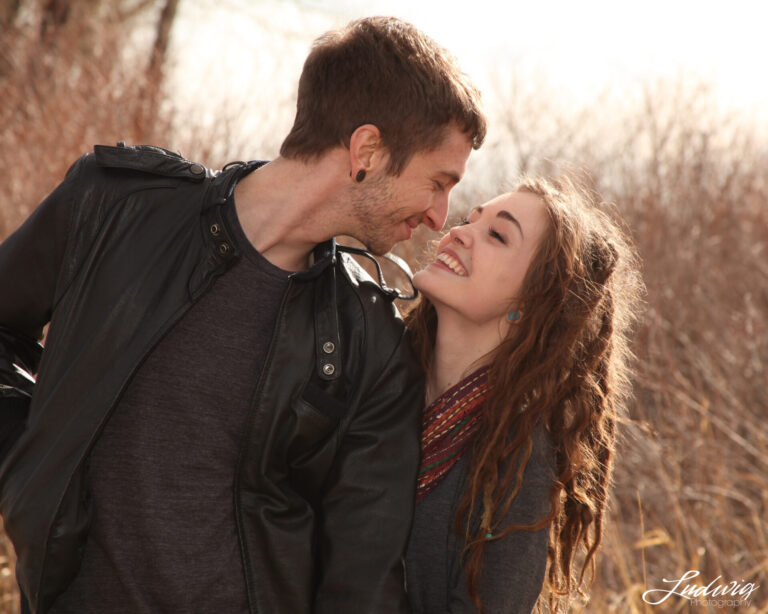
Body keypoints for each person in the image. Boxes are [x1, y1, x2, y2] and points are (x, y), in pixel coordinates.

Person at [0, 16, 486, 614]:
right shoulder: (113, 206)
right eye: (437, 183)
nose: (441, 216)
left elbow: (362, 581)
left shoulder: (370, 340)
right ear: (367, 150)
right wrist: (35, 454)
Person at [404, 177, 643, 613]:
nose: (457, 232)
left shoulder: (517, 461)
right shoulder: (371, 381)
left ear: (532, 303)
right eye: (467, 219)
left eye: (496, 235)